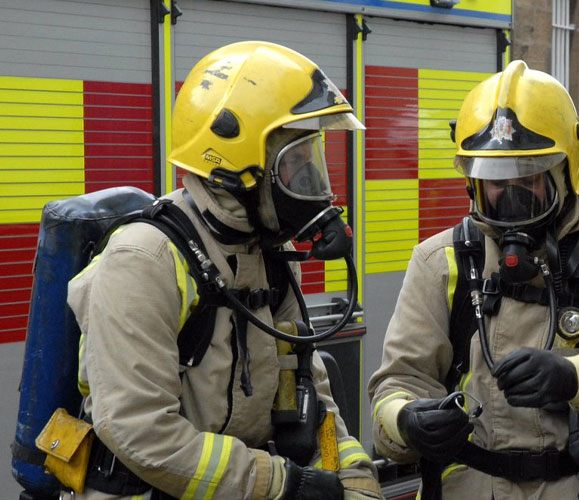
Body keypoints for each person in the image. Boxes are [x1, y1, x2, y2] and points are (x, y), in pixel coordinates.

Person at [65, 42, 382, 500]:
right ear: (237, 169)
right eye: (294, 163)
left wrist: (353, 475)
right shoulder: (144, 261)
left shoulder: (270, 256)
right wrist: (280, 483)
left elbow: (314, 399)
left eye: (311, 160)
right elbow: (139, 430)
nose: (313, 183)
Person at [368, 60, 579, 499]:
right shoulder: (441, 261)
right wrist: (408, 420)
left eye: (529, 175)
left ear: (565, 171)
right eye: (494, 178)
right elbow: (398, 382)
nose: (509, 191)